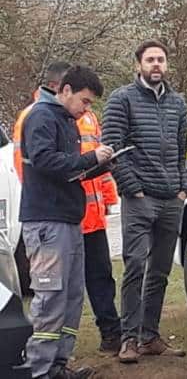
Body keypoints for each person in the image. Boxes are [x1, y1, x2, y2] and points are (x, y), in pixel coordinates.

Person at [20, 65, 114, 379]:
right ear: (66, 90)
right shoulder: (42, 117)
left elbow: (69, 170)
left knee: (72, 296)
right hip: (48, 221)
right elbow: (46, 161)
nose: (86, 110)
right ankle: (39, 370)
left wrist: (100, 166)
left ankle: (59, 364)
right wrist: (91, 159)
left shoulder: (64, 119)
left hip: (68, 219)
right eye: (85, 102)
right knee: (51, 298)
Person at [102, 39, 187, 363]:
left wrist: (183, 187)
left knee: (161, 271)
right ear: (138, 64)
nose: (156, 65)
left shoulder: (178, 103)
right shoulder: (121, 99)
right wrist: (132, 187)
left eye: (161, 59)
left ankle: (150, 336)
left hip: (171, 199)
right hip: (140, 199)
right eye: (150, 59)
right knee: (136, 266)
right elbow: (113, 149)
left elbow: (184, 149)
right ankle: (129, 340)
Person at [77, 110, 122, 353]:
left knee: (102, 277)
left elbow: (101, 164)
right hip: (66, 218)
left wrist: (107, 197)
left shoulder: (89, 117)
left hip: (93, 217)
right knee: (65, 285)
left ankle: (111, 333)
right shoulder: (38, 117)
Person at [13, 61, 72, 180]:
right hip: (50, 192)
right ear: (52, 86)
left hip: (76, 193)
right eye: (67, 88)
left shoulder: (82, 114)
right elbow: (24, 161)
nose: (70, 92)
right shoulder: (34, 115)